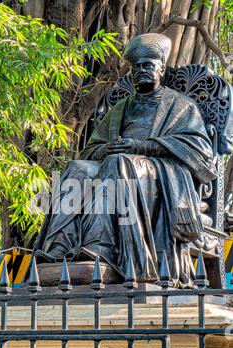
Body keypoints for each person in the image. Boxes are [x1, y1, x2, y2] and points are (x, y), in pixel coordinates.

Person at [34, 33, 217, 287]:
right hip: (119, 167)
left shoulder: (182, 107)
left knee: (118, 163)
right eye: (136, 67)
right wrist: (108, 147)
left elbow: (202, 155)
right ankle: (59, 246)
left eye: (147, 65)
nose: (141, 70)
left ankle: (100, 246)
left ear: (161, 69)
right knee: (76, 168)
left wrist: (140, 146)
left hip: (159, 174)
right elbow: (91, 150)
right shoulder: (119, 109)